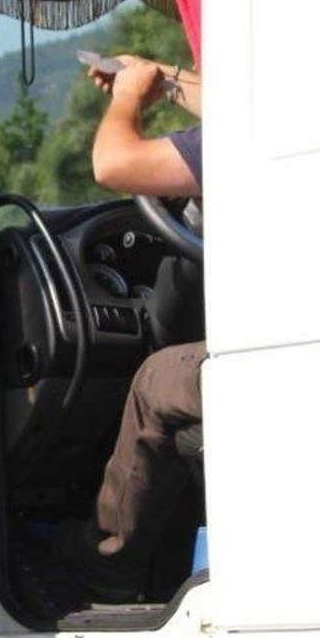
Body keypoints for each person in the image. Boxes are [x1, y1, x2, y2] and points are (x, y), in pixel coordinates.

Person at [60, 52, 207, 603]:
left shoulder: (237, 144)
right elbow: (243, 99)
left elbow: (114, 163)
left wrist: (126, 101)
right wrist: (161, 80)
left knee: (156, 380)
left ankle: (109, 563)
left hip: (283, 355)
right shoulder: (291, 118)